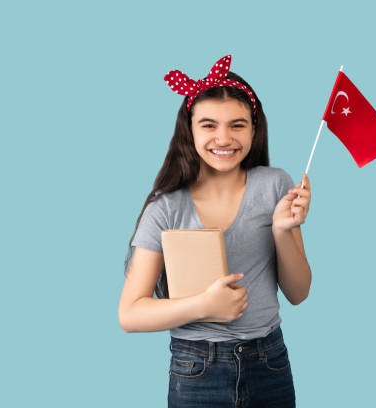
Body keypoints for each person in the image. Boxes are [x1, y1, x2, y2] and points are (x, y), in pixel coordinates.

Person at [118, 55, 312, 408]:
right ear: (189, 130)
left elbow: (298, 293)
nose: (224, 138)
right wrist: (204, 305)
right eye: (209, 125)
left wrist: (284, 230)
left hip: (269, 362)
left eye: (237, 125)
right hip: (197, 370)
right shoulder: (165, 208)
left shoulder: (275, 186)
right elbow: (130, 314)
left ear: (255, 129)